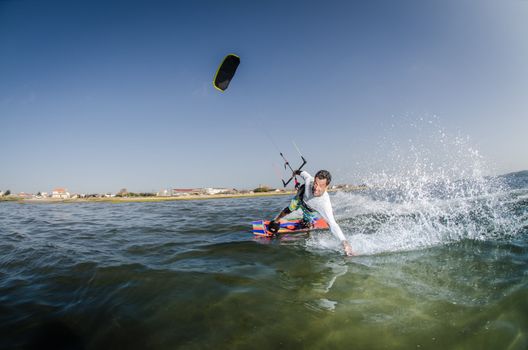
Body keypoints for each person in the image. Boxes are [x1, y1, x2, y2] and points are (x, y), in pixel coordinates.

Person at [269, 169, 354, 256]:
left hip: (310, 209)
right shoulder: (309, 180)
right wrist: (295, 172)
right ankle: (277, 220)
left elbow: (333, 224)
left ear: (327, 186)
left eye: (321, 185)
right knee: (290, 208)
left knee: (307, 222)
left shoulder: (325, 203)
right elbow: (303, 173)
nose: (316, 188)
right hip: (301, 198)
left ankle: (307, 227)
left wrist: (344, 242)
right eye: (316, 183)